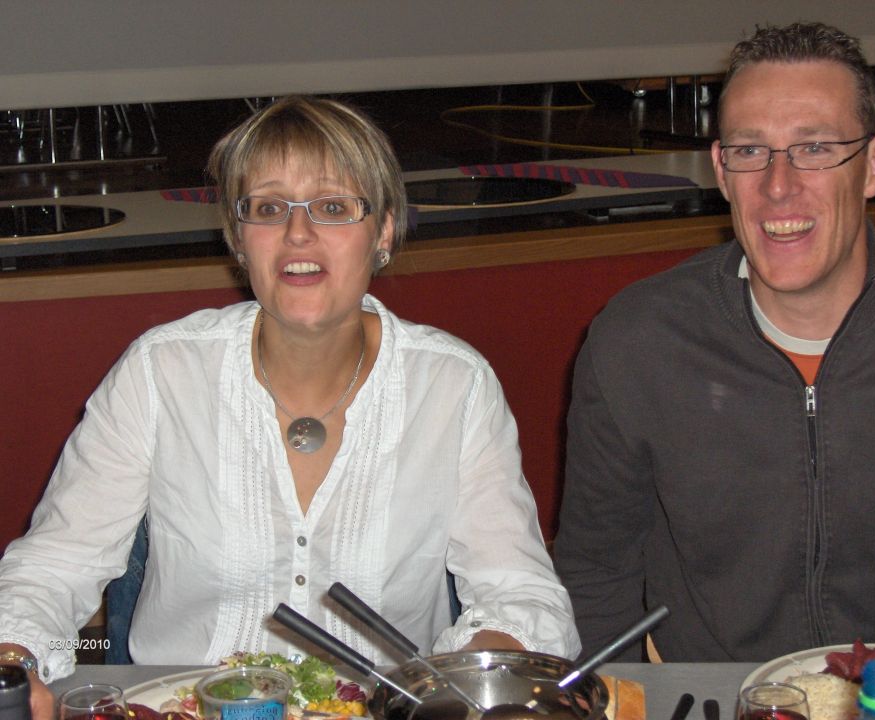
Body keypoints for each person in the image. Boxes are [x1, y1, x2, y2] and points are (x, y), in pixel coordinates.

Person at [0, 96, 580, 717]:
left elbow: (519, 591)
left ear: (384, 231)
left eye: (333, 207)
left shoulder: (453, 385)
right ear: (238, 237)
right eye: (269, 208)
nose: (298, 234)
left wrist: (486, 677)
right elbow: (55, 566)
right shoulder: (161, 371)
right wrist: (13, 661)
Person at [554, 22, 875, 662]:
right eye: (750, 150)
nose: (777, 185)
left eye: (815, 148)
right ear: (721, 169)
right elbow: (596, 576)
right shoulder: (641, 341)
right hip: (715, 695)